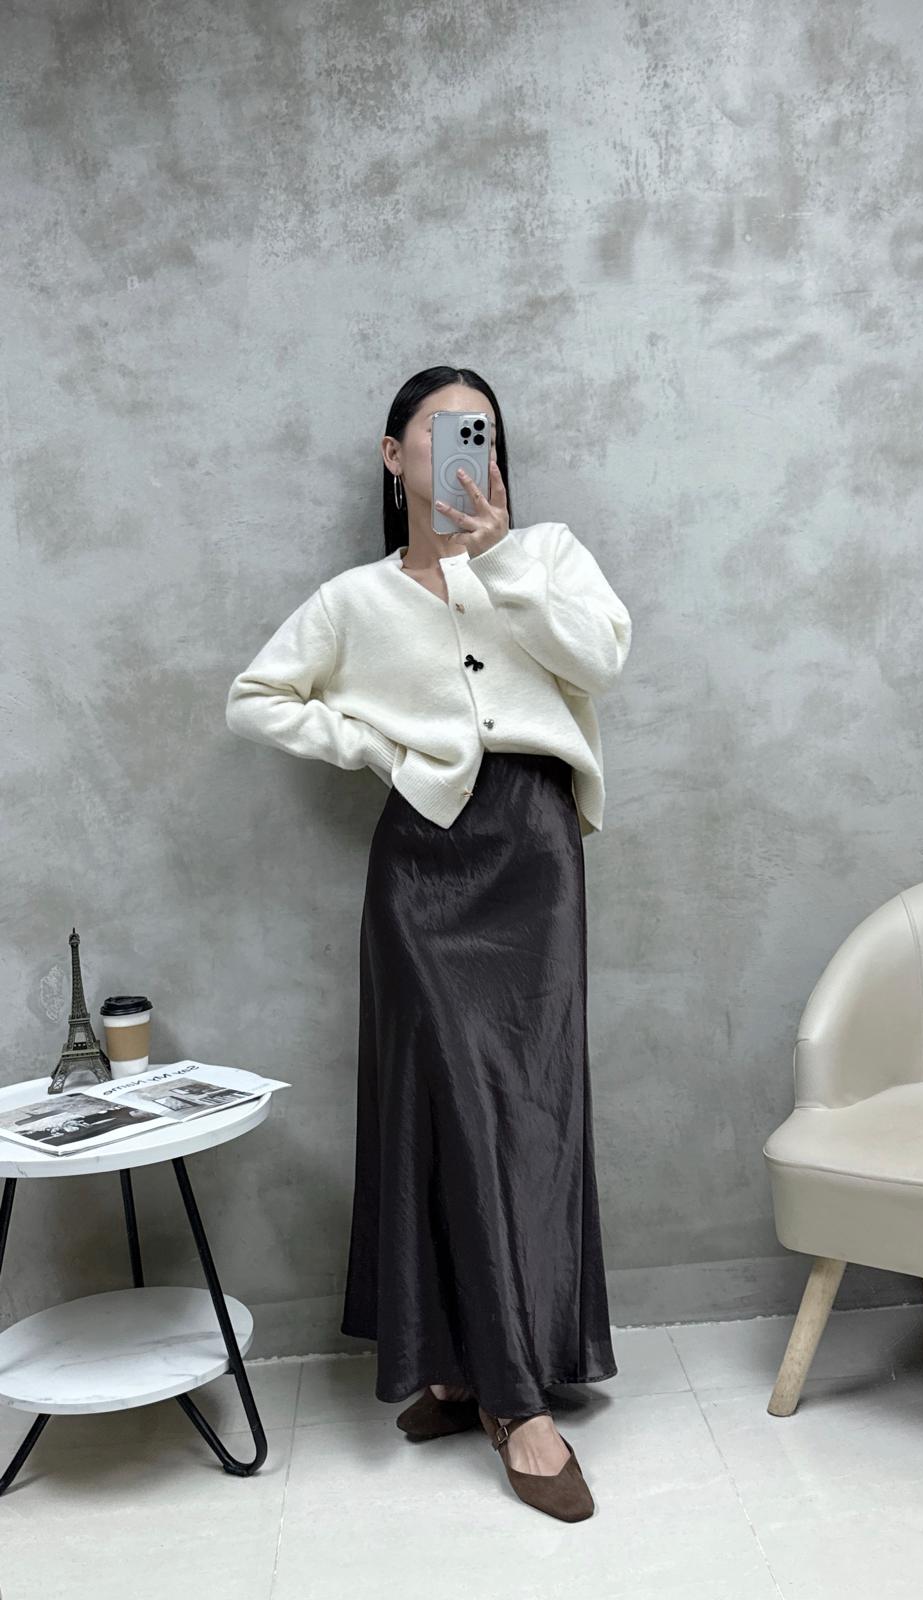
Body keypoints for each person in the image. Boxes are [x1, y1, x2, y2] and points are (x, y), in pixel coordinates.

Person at [226, 365, 632, 1521]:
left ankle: (471, 1369)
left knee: (531, 1113)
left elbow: (598, 661)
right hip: (420, 862)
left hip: (533, 854)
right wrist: (374, 745)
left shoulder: (546, 555)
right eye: (447, 431)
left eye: (484, 434)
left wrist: (497, 563)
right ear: (393, 453)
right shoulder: (354, 598)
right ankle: (513, 1400)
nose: (468, 449)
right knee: (446, 1108)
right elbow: (256, 697)